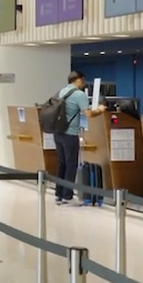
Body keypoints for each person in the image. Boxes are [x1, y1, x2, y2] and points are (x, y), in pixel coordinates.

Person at [52, 70, 87, 204]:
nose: (83, 83)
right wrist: (100, 109)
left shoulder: (61, 92)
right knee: (71, 164)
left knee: (62, 164)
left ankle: (59, 194)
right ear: (78, 80)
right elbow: (88, 113)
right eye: (83, 80)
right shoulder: (79, 94)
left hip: (58, 132)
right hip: (70, 134)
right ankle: (68, 196)